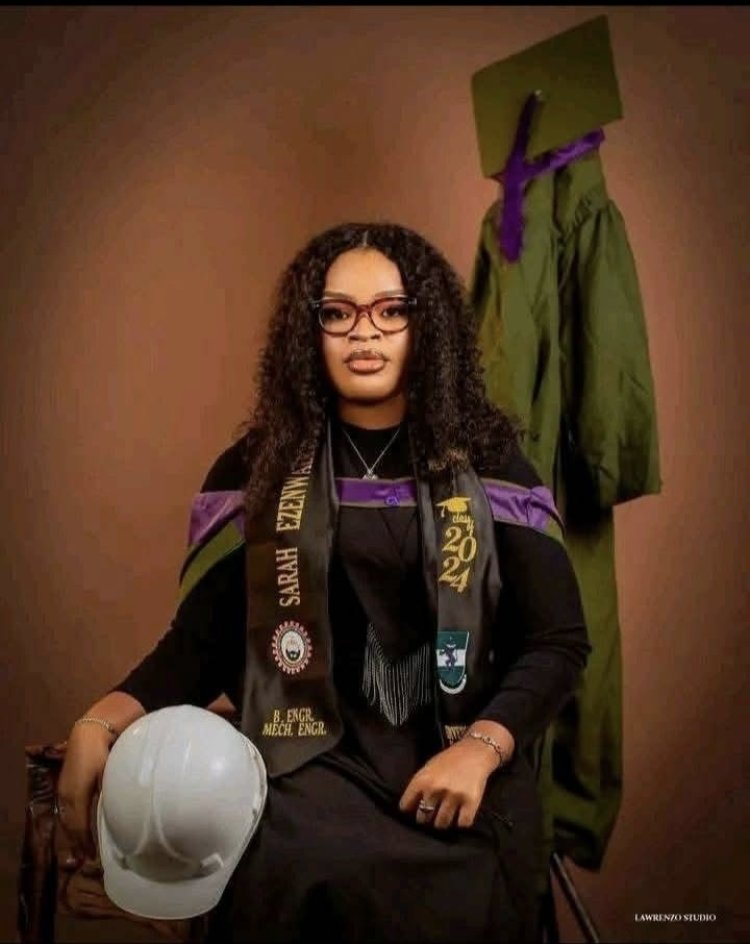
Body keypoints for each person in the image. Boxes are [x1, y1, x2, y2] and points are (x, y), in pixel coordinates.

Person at [56, 221, 591, 942]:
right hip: (306, 769)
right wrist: (100, 719)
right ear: (308, 333)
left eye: (391, 310)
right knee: (292, 862)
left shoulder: (492, 467)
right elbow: (201, 645)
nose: (364, 332)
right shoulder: (257, 471)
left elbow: (557, 642)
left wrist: (483, 748)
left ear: (427, 326)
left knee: (470, 890)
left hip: (458, 764)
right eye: (338, 313)